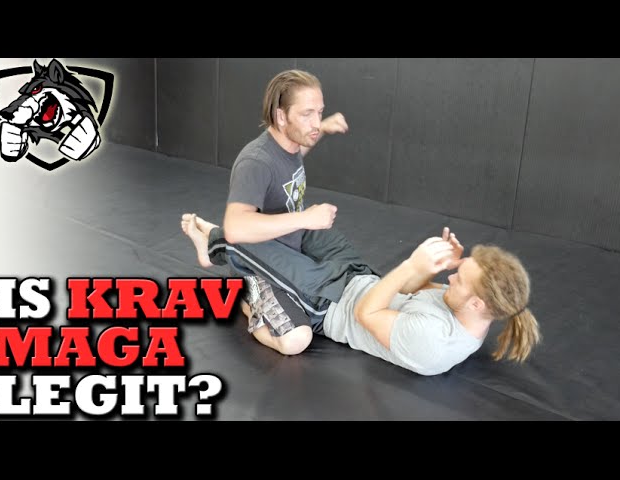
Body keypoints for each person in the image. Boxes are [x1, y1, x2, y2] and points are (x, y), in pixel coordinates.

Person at [180, 213, 541, 376]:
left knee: (244, 242)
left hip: (327, 302)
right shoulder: (469, 309)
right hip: (354, 273)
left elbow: (365, 314)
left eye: (459, 278)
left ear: (478, 303)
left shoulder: (434, 343)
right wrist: (430, 267)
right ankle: (246, 260)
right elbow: (411, 289)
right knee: (300, 220)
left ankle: (214, 247)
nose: (451, 277)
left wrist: (409, 264)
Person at [215, 69, 356, 355]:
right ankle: (246, 296)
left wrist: (323, 127)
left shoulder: (289, 144)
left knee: (351, 275)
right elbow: (234, 228)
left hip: (291, 249)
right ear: (281, 116)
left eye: (319, 112)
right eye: (307, 114)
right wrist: (306, 218)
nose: (315, 122)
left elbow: (295, 154)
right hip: (262, 264)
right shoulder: (256, 162)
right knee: (296, 340)